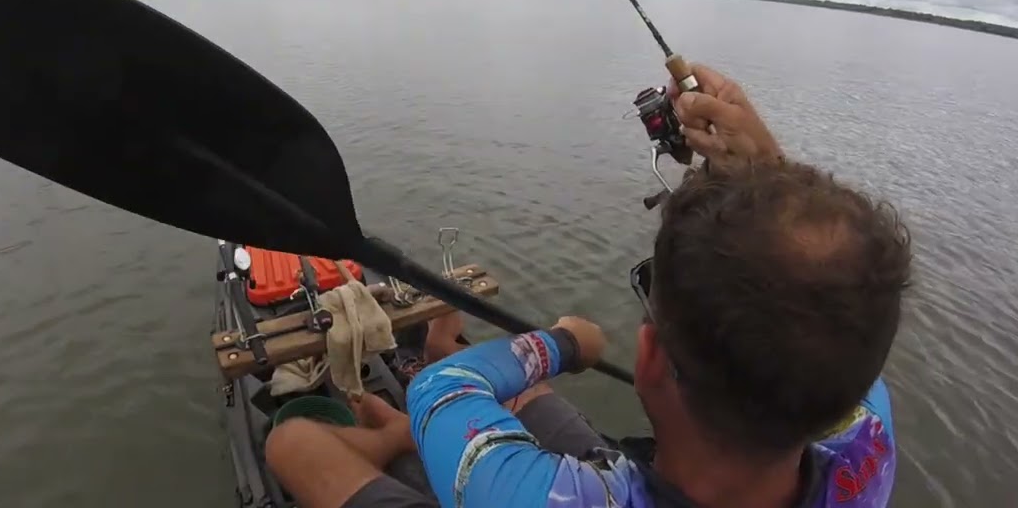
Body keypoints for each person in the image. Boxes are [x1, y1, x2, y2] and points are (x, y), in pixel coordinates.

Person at [266, 64, 912, 508]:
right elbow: (826, 302)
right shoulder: (866, 454)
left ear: (650, 358)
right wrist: (766, 171)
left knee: (293, 441)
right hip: (658, 475)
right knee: (522, 394)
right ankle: (421, 410)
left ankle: (393, 436)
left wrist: (568, 343)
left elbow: (443, 389)